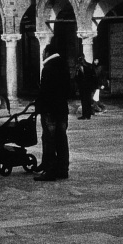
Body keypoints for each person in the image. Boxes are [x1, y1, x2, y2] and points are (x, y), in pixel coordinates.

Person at [34, 42, 73, 182]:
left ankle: (49, 171)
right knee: (61, 138)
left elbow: (44, 91)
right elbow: (69, 89)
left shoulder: (48, 68)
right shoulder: (64, 66)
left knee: (49, 139)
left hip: (50, 110)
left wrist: (39, 106)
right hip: (62, 108)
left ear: (47, 53)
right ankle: (63, 169)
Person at [74, 54, 98, 120]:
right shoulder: (78, 67)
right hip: (82, 87)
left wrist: (95, 87)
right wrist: (76, 71)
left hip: (88, 86)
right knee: (83, 101)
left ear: (83, 58)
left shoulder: (89, 66)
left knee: (88, 100)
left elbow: (94, 77)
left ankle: (88, 114)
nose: (80, 60)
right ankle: (84, 115)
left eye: (81, 59)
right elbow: (76, 78)